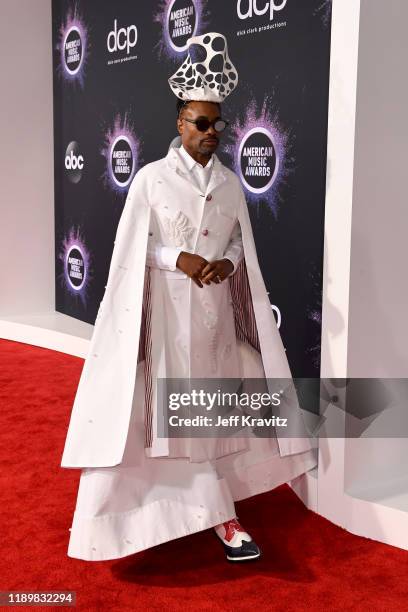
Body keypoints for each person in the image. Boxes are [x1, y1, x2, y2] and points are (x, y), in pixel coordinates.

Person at [61, 32, 317, 563]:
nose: (211, 134)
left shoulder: (229, 185)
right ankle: (210, 517)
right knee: (162, 420)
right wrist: (177, 259)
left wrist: (228, 263)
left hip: (216, 322)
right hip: (165, 324)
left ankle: (217, 509)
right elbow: (135, 250)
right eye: (201, 123)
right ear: (180, 123)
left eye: (218, 125)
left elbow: (242, 244)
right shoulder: (152, 181)